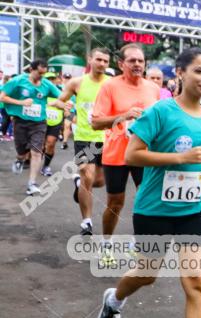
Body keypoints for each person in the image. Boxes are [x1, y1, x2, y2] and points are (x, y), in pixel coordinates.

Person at [97, 46, 201, 318]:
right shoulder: (160, 111)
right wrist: (180, 157)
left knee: (197, 281)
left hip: (196, 208)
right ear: (180, 74)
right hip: (154, 209)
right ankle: (114, 299)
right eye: (199, 71)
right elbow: (132, 155)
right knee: (147, 274)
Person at [90, 44, 161, 243]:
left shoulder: (153, 89)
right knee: (115, 203)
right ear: (121, 64)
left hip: (143, 153)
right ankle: (106, 242)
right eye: (132, 60)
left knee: (147, 200)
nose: (137, 64)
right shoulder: (110, 86)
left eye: (140, 61)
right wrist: (123, 116)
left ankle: (138, 242)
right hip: (116, 154)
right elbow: (96, 123)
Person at [57, 48, 112, 235]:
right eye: (99, 59)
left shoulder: (111, 84)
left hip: (106, 138)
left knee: (100, 182)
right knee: (87, 175)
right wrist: (64, 105)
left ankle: (79, 185)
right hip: (84, 137)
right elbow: (58, 101)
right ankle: (87, 221)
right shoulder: (77, 82)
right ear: (90, 60)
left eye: (105, 61)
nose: (102, 63)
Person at [0, 59, 68, 195]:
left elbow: (62, 96)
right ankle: (19, 159)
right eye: (39, 74)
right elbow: (2, 97)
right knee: (22, 151)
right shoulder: (18, 81)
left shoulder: (46, 84)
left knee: (37, 151)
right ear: (31, 70)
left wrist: (65, 103)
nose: (41, 77)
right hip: (20, 121)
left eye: (43, 74)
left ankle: (32, 183)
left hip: (39, 123)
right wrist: (21, 102)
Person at [41, 71, 66, 176]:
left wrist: (60, 105)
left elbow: (68, 105)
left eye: (52, 79)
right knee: (41, 145)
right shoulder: (40, 91)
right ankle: (33, 158)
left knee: (50, 144)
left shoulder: (61, 92)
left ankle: (46, 166)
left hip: (55, 122)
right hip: (41, 121)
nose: (50, 81)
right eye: (48, 79)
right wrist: (52, 103)